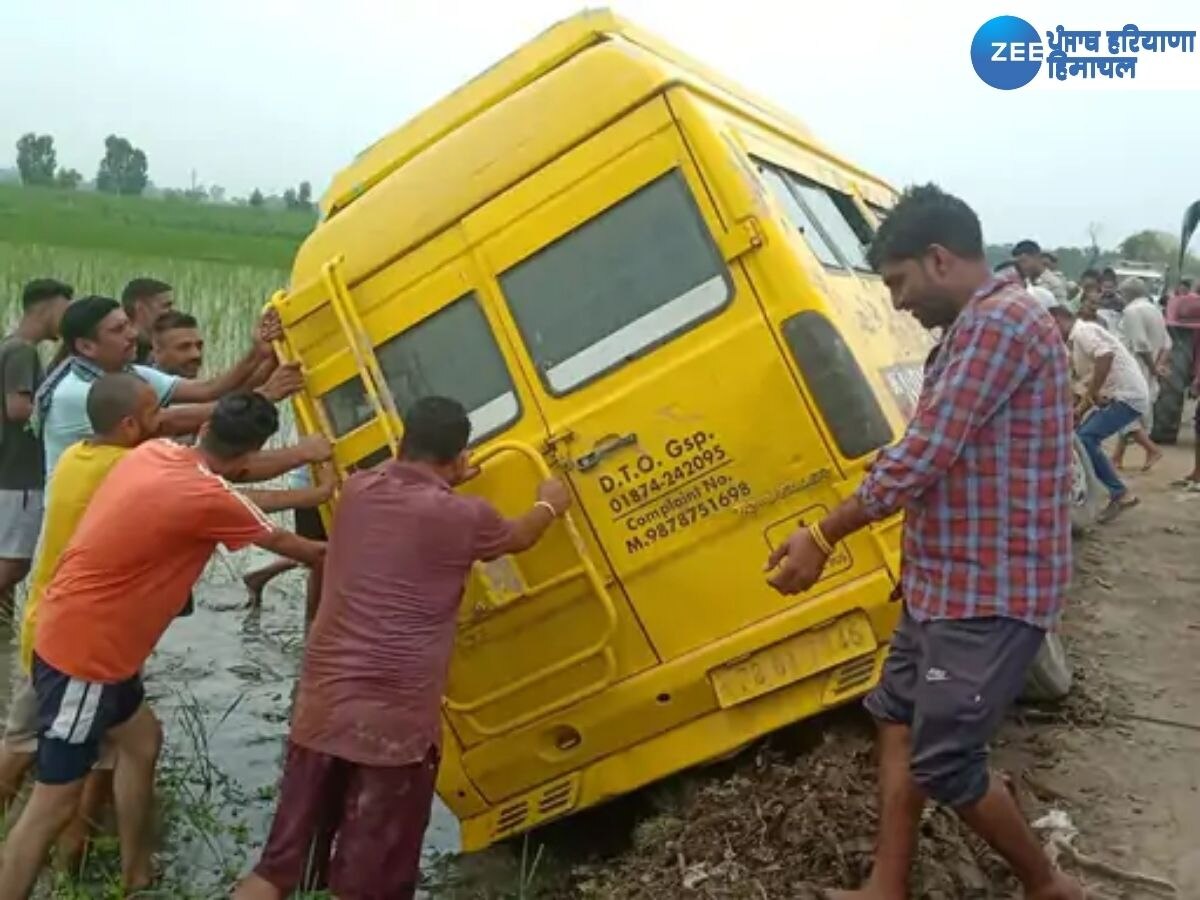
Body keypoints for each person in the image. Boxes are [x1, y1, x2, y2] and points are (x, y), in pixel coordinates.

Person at [766, 185, 1082, 900]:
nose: (897, 302)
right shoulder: (971, 332)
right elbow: (927, 451)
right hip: (941, 587)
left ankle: (1048, 885)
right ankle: (888, 886)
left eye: (899, 282)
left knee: (945, 762)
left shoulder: (1002, 324)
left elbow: (924, 454)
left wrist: (822, 534)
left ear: (938, 259)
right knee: (893, 719)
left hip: (986, 592)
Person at [234, 396, 572, 900]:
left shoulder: (357, 492)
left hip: (321, 712)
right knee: (371, 886)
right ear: (459, 458)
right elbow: (519, 537)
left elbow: (407, 497)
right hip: (394, 732)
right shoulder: (467, 517)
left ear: (402, 441)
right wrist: (549, 502)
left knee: (277, 869)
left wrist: (442, 478)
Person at [0, 391, 326, 898]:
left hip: (86, 638)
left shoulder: (154, 454)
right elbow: (299, 549)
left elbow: (234, 480)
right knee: (52, 805)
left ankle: (136, 873)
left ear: (205, 430)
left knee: (142, 741)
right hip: (87, 658)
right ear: (248, 453)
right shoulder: (210, 499)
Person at [0, 374, 160, 871]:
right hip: (70, 644)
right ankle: (62, 859)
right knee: (47, 774)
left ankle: (113, 865)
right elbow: (218, 473)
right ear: (131, 425)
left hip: (51, 626)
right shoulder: (125, 469)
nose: (163, 421)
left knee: (129, 743)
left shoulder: (78, 454)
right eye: (155, 413)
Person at [32, 295, 304, 476]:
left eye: (128, 325)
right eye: (118, 331)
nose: (133, 335)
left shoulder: (129, 372)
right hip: (83, 512)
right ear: (86, 346)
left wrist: (258, 352)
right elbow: (169, 421)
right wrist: (265, 395)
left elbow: (208, 390)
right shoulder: (77, 393)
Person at [0, 279, 72, 622]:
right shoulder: (22, 351)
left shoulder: (12, 347)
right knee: (13, 564)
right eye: (64, 311)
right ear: (44, 308)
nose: (68, 319)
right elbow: (18, 408)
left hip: (12, 469)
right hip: (17, 473)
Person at [1048, 304, 1149, 521]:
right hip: (1118, 395)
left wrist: (1088, 399)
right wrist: (1079, 407)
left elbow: (1105, 356)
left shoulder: (1084, 331)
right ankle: (1116, 492)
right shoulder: (1074, 343)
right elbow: (1084, 379)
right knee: (1084, 437)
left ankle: (1120, 493)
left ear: (1056, 320)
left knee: (1086, 439)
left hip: (1126, 395)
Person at [242, 463, 329, 616]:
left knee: (322, 553)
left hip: (318, 485)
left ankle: (260, 576)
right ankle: (312, 628)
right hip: (314, 488)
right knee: (320, 559)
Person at [1111, 278, 1170, 471]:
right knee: (1134, 411)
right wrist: (1157, 367)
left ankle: (1151, 449)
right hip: (1147, 369)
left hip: (1135, 368)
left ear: (1127, 293)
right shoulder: (1155, 311)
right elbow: (1167, 344)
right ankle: (1117, 457)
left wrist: (1153, 368)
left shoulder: (1132, 311)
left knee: (1125, 411)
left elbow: (1140, 344)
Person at [121, 278, 174, 366]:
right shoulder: (123, 349)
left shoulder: (156, 346)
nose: (171, 312)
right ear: (140, 307)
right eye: (165, 306)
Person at [1011, 239, 1067, 304]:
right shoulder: (1023, 281)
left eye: (1024, 261)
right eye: (1018, 263)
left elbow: (1061, 311)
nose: (1021, 266)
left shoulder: (1053, 283)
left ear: (1036, 257)